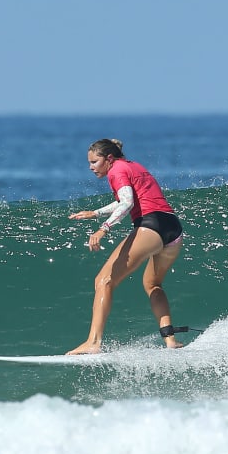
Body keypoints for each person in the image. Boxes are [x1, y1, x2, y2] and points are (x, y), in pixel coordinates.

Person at [67, 138, 184, 354]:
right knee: (153, 284)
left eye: (94, 162)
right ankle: (170, 340)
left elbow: (127, 202)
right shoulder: (133, 166)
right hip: (172, 228)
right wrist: (96, 212)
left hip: (151, 225)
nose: (91, 167)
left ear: (108, 159)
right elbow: (127, 198)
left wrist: (104, 228)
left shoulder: (115, 171)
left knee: (103, 281)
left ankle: (93, 342)